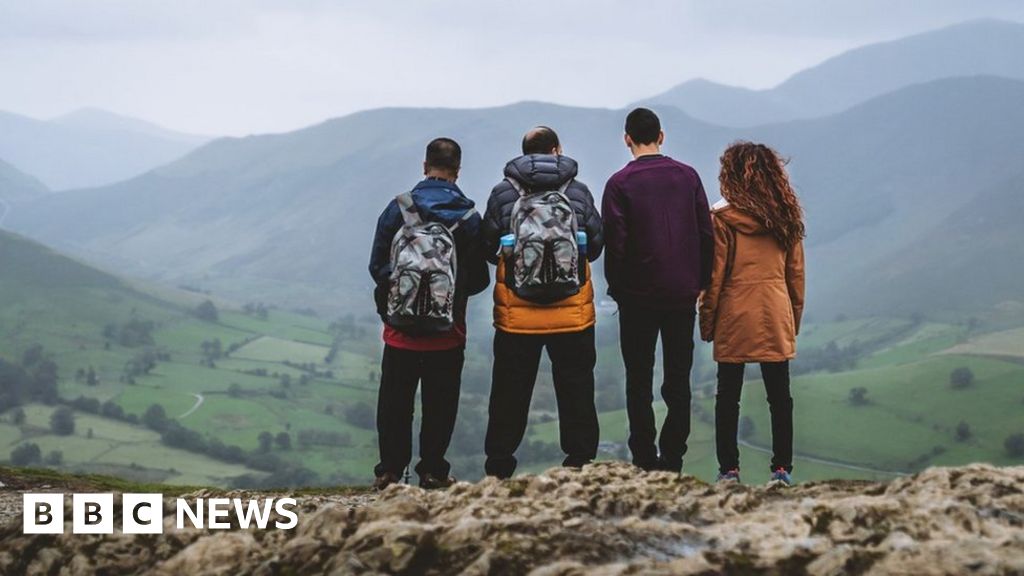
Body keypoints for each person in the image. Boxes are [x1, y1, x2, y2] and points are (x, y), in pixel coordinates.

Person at [481, 126, 604, 479]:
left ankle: (500, 465)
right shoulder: (578, 191)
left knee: (509, 393)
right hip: (573, 314)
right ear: (557, 150)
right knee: (577, 389)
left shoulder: (503, 193)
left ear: (523, 155)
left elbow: (488, 246)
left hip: (517, 317)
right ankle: (579, 462)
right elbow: (595, 246)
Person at [368, 137, 489, 490]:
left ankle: (389, 471)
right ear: (457, 171)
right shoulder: (468, 217)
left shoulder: (398, 209)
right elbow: (478, 279)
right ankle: (433, 470)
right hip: (447, 332)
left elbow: (378, 266)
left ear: (425, 167)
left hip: (400, 332)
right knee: (441, 403)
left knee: (394, 403)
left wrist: (399, 302)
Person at [601, 107, 713, 473]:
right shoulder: (688, 176)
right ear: (661, 136)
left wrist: (617, 288)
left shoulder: (619, 184)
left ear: (627, 139)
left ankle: (644, 459)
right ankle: (673, 456)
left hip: (637, 296)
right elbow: (705, 233)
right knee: (678, 378)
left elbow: (616, 243)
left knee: (639, 379)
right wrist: (702, 282)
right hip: (682, 292)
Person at [699, 141, 806, 486]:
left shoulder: (723, 220)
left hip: (734, 311)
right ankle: (782, 469)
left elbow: (714, 277)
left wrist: (707, 320)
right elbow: (796, 277)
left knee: (728, 394)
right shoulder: (786, 219)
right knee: (779, 396)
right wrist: (793, 321)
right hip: (775, 310)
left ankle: (729, 470)